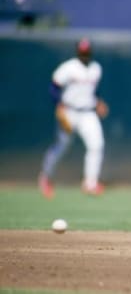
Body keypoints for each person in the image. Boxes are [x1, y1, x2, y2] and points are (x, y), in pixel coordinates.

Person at [38, 38, 108, 199]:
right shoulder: (68, 68)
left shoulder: (96, 69)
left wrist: (98, 102)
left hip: (88, 113)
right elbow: (54, 88)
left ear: (90, 52)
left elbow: (91, 91)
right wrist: (59, 107)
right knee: (62, 146)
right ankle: (45, 177)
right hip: (69, 111)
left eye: (87, 51)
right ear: (77, 51)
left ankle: (90, 183)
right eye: (82, 51)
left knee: (97, 144)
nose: (84, 54)